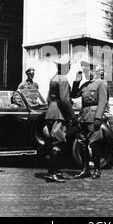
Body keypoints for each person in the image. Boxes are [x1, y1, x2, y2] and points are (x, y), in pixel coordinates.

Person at [44, 55, 78, 183]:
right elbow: (64, 100)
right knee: (58, 143)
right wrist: (72, 117)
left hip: (51, 112)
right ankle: (52, 173)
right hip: (58, 113)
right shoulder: (63, 79)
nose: (69, 67)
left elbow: (49, 98)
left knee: (54, 142)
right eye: (68, 65)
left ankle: (56, 171)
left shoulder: (54, 78)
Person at [73, 64, 108, 180]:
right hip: (83, 117)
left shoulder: (101, 83)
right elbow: (73, 95)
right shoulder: (85, 85)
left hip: (93, 117)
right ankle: (85, 169)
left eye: (89, 71)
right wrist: (76, 81)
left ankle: (97, 169)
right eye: (85, 72)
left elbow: (103, 101)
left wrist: (98, 117)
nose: (87, 74)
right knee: (82, 144)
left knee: (94, 144)